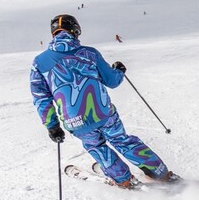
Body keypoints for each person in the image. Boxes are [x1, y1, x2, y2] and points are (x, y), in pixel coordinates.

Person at [30, 14, 178, 188]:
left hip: (75, 121)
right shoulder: (89, 53)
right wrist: (119, 71)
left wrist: (52, 126)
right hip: (103, 113)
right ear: (75, 31)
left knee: (97, 146)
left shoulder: (39, 63)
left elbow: (41, 97)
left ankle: (123, 180)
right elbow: (112, 81)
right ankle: (160, 173)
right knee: (122, 140)